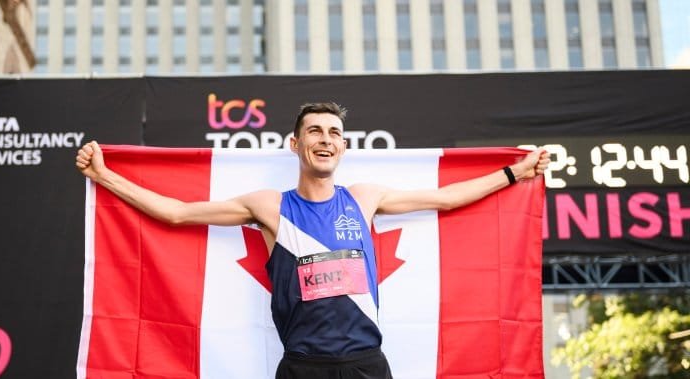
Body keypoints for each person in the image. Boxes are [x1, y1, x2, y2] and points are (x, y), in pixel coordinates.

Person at [76, 102, 549, 379]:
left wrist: (514, 172)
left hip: (366, 363)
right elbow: (177, 213)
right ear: (295, 144)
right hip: (303, 367)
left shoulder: (365, 198)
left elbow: (445, 199)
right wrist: (105, 176)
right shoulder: (268, 207)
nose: (326, 140)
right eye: (315, 132)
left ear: (344, 147)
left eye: (334, 134)